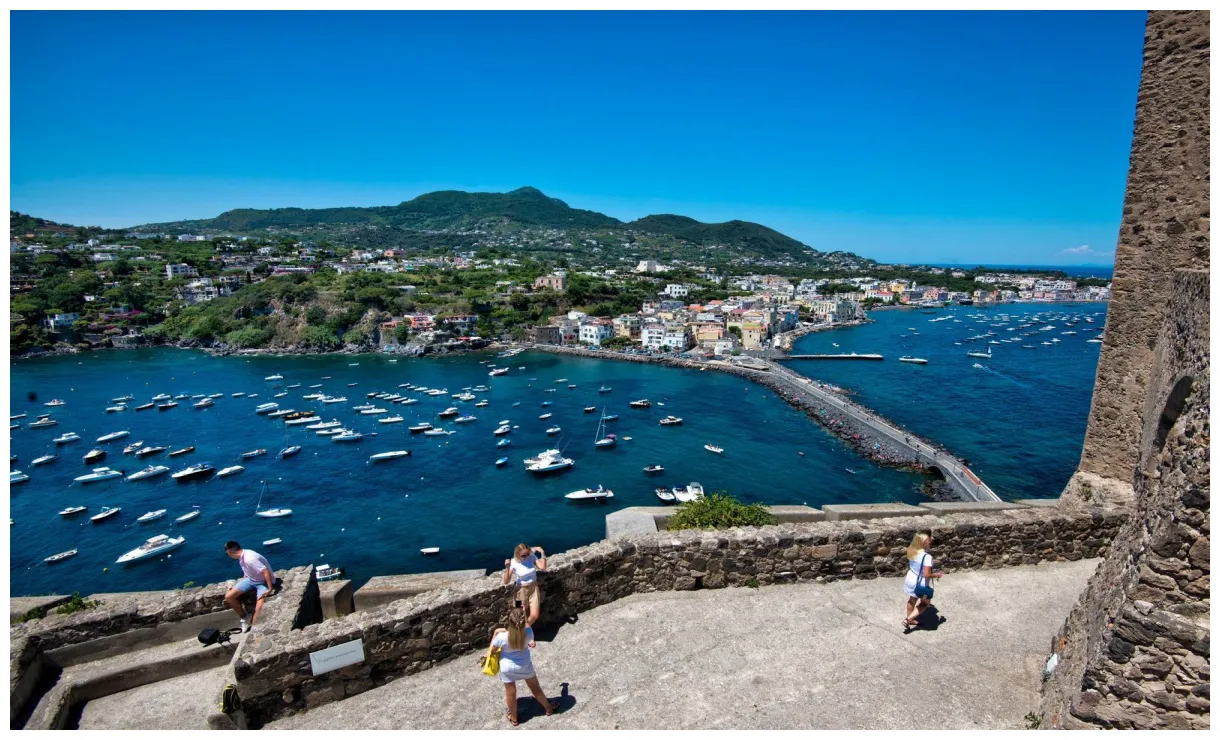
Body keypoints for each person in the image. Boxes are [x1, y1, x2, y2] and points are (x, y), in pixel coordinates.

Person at [489, 609, 557, 726]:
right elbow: (526, 626)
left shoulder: (502, 637)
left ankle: (514, 718)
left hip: (507, 668)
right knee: (536, 688)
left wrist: (496, 633)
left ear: (509, 622)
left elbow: (492, 650)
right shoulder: (529, 632)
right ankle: (548, 708)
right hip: (525, 666)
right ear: (523, 621)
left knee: (511, 693)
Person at [223, 541, 274, 632]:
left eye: (227, 554)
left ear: (230, 552)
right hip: (251, 579)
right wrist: (239, 585)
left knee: (258, 609)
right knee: (229, 596)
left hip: (263, 582)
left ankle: (253, 629)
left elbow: (265, 571)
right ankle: (245, 618)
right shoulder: (242, 556)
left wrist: (270, 588)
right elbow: (247, 571)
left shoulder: (249, 558)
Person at [902, 532, 943, 629]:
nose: (930, 542)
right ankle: (908, 620)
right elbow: (927, 574)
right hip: (920, 583)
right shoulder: (927, 557)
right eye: (928, 541)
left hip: (910, 578)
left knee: (912, 600)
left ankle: (910, 620)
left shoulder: (912, 551)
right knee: (925, 603)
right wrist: (936, 574)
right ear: (922, 543)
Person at [503, 543, 546, 627]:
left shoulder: (532, 557)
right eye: (523, 555)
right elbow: (506, 581)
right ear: (517, 554)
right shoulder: (513, 562)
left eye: (527, 553)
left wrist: (543, 553)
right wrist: (507, 568)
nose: (526, 556)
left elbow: (542, 567)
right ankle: (520, 633)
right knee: (518, 615)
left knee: (535, 615)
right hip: (519, 591)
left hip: (534, 589)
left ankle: (520, 631)